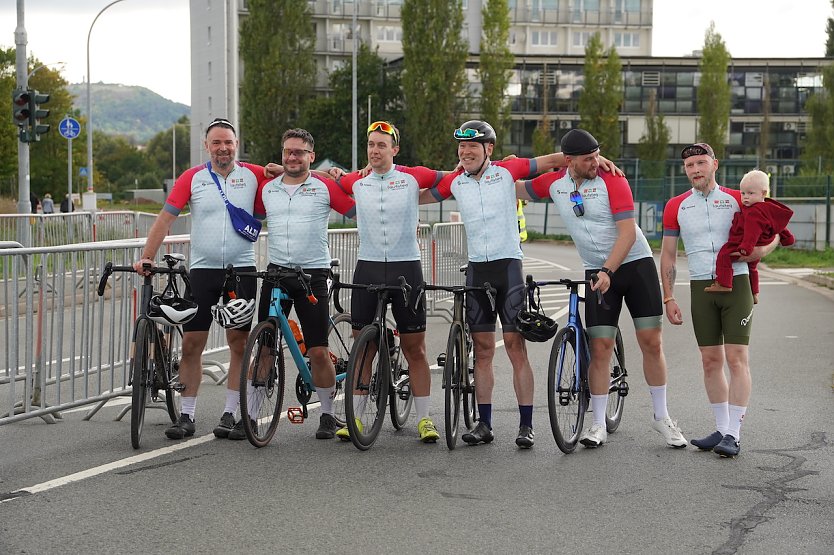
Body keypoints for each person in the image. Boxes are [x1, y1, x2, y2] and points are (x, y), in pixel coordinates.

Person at [422, 120, 619, 449]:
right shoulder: (456, 181)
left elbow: (556, 159)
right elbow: (421, 193)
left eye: (473, 146)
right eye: (461, 146)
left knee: (516, 348)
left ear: (489, 149)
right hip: (477, 272)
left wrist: (597, 158)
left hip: (508, 269)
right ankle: (484, 424)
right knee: (483, 352)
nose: (465, 151)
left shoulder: (506, 171)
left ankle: (526, 425)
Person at [518, 128, 686, 449]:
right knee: (600, 347)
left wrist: (609, 269)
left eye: (598, 155)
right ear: (568, 161)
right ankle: (597, 424)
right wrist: (505, 164)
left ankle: (661, 416)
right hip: (597, 270)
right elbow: (512, 183)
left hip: (634, 265)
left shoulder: (613, 179)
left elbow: (626, 233)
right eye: (587, 159)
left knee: (651, 341)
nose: (596, 162)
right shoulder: (555, 183)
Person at [134, 117, 268, 441]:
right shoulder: (192, 178)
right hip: (204, 270)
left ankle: (231, 414)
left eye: (228, 142)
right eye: (216, 143)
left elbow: (283, 196)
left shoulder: (256, 176)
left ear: (237, 145)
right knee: (193, 343)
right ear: (206, 146)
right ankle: (187, 415)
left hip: (241, 270)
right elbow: (165, 219)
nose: (223, 148)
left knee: (238, 343)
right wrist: (147, 256)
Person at [660, 143, 779, 458]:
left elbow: (774, 231)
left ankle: (734, 435)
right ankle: (722, 428)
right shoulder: (675, 206)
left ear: (715, 164)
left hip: (736, 283)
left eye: (701, 163)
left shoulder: (739, 199)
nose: (696, 170)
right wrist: (669, 296)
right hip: (700, 286)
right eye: (689, 166)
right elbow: (668, 255)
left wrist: (760, 252)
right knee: (709, 360)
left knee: (736, 358)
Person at [334, 121, 444, 443]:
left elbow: (453, 178)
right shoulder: (358, 182)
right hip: (367, 267)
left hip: (405, 269)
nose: (375, 150)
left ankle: (425, 419)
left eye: (382, 145)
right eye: (371, 144)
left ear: (394, 150)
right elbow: (322, 178)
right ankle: (354, 415)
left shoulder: (412, 177)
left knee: (416, 349)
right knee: (363, 346)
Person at [247, 128, 356, 440]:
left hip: (312, 275)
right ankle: (251, 415)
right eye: (287, 152)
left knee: (319, 350)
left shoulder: (323, 186)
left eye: (299, 152)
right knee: (265, 345)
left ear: (311, 154)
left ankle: (327, 414)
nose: (292, 157)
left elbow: (356, 210)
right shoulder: (268, 188)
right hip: (276, 273)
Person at [704, 169, 795, 303]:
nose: (745, 197)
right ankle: (754, 293)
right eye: (743, 193)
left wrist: (746, 248)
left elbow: (751, 233)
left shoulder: (753, 212)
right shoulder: (768, 208)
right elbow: (778, 226)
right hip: (760, 243)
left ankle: (724, 284)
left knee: (724, 255)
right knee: (752, 268)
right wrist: (788, 238)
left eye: (750, 193)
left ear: (763, 193)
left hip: (746, 244)